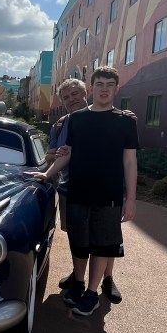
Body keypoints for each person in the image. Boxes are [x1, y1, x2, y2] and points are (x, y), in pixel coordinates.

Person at [31, 67, 139, 317]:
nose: (104, 89)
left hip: (109, 194)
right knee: (79, 242)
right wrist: (47, 174)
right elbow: (66, 153)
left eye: (109, 85)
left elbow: (130, 162)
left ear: (116, 89)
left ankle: (92, 293)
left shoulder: (125, 121)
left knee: (103, 245)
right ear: (92, 88)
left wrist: (131, 199)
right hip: (77, 191)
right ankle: (78, 283)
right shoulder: (76, 119)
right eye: (99, 84)